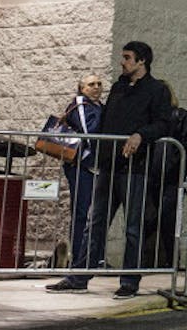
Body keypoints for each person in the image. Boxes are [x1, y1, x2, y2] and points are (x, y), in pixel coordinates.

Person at [47, 41, 171, 298]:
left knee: (132, 227)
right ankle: (79, 276)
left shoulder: (156, 90)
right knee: (94, 223)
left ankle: (129, 282)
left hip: (134, 168)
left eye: (127, 57)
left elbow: (162, 123)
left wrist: (140, 135)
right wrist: (98, 156)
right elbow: (104, 123)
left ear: (141, 61)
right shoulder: (118, 88)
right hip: (107, 166)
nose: (122, 62)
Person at [143, 79, 187, 268]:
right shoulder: (152, 117)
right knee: (153, 220)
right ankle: (156, 261)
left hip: (168, 176)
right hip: (159, 175)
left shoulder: (179, 116)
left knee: (167, 221)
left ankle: (168, 261)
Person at [59, 74, 103, 270]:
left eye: (99, 84)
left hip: (95, 167)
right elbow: (89, 131)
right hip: (81, 166)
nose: (96, 87)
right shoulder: (80, 104)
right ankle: (79, 258)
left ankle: (95, 258)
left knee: (96, 214)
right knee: (82, 212)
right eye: (91, 84)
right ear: (81, 88)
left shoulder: (99, 106)